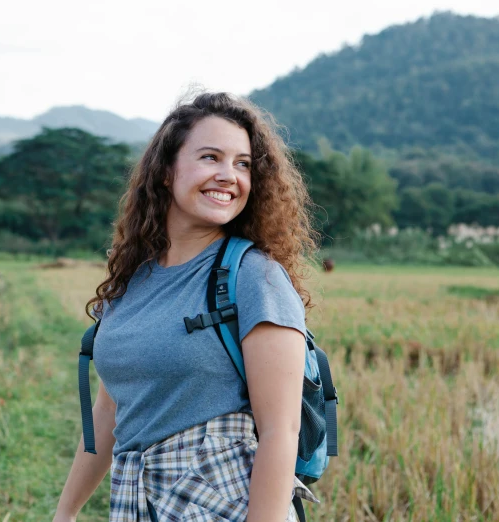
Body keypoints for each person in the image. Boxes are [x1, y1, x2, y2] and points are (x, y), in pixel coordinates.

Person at [54, 91, 319, 521]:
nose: (229, 175)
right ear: (165, 171)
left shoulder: (255, 277)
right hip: (136, 507)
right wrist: (64, 513)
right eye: (211, 157)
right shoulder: (130, 279)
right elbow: (110, 410)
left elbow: (280, 431)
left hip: (224, 508)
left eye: (243, 163)